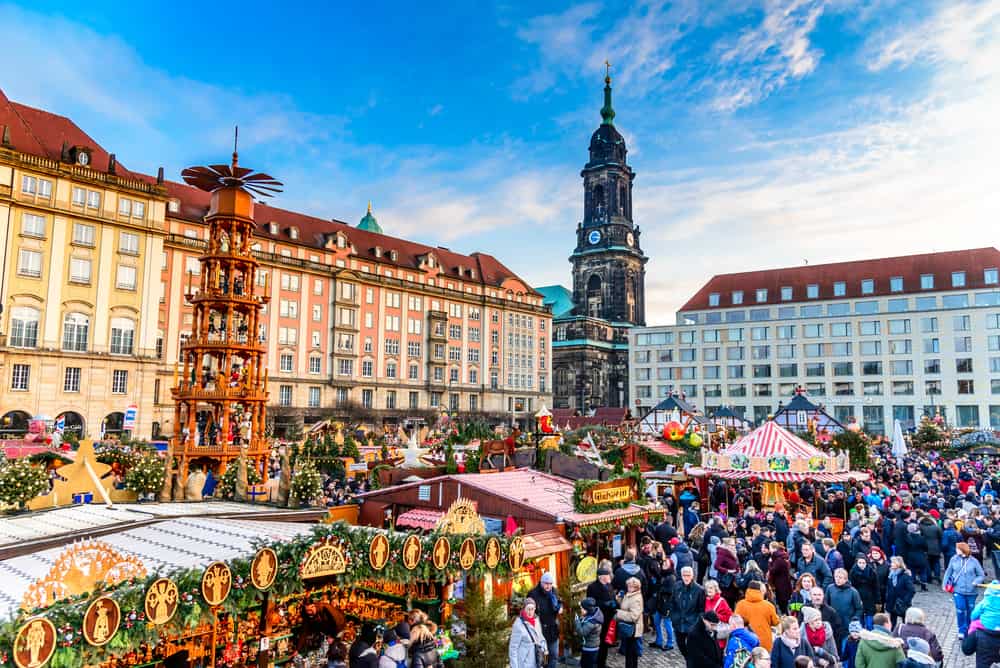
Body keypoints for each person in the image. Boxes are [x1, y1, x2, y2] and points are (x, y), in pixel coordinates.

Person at [944, 541, 987, 637]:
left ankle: (970, 628)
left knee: (970, 610)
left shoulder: (974, 561)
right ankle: (962, 630)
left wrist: (976, 582)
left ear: (962, 550)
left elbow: (981, 575)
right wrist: (945, 584)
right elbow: (948, 572)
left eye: (957, 549)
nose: (955, 550)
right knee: (960, 609)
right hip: (958, 590)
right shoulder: (953, 559)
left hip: (972, 591)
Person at [735, 581, 780, 653]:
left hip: (746, 640)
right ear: (760, 590)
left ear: (747, 590)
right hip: (765, 641)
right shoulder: (768, 605)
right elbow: (775, 622)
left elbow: (736, 622)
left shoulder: (740, 605)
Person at [528, 572, 562, 668]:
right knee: (541, 659)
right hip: (540, 631)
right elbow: (528, 612)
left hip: (552, 629)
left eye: (550, 583)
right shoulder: (533, 594)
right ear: (541, 582)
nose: (548, 586)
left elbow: (559, 602)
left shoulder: (554, 591)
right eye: (546, 583)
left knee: (554, 655)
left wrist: (560, 607)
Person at [672, 566, 707, 658]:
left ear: (692, 576)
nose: (686, 578)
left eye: (688, 575)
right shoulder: (676, 586)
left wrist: (696, 623)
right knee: (681, 645)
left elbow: (701, 610)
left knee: (693, 648)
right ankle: (688, 660)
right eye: (684, 575)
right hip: (679, 622)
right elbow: (672, 603)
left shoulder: (699, 590)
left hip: (692, 624)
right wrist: (674, 617)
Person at [586, 566, 616, 667]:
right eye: (607, 575)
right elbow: (591, 603)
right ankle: (596, 663)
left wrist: (615, 602)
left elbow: (612, 597)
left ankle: (602, 662)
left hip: (609, 618)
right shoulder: (592, 587)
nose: (609, 576)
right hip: (599, 619)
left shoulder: (609, 586)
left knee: (606, 642)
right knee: (599, 642)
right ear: (601, 577)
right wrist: (605, 604)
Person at [824, 568, 862, 638]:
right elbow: (826, 604)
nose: (837, 579)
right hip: (833, 622)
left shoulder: (853, 591)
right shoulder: (830, 588)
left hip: (847, 623)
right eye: (836, 577)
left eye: (840, 577)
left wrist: (854, 619)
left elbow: (859, 609)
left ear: (846, 579)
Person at [616, 577, 645, 668]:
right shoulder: (629, 594)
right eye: (628, 585)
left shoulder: (636, 598)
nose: (628, 587)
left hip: (633, 629)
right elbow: (625, 606)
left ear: (636, 587)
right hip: (629, 628)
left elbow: (633, 616)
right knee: (630, 652)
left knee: (631, 653)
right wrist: (619, 599)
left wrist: (618, 613)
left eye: (630, 586)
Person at [509, 599, 546, 668]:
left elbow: (540, 637)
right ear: (524, 609)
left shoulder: (536, 620)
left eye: (532, 609)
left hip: (536, 661)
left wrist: (544, 649)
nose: (530, 612)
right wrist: (514, 666)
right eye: (528, 609)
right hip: (524, 664)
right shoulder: (518, 624)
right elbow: (513, 648)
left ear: (535, 609)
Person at [651, 556, 676, 650]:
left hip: (666, 604)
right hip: (659, 603)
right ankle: (659, 641)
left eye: (666, 564)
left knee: (667, 624)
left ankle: (670, 643)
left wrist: (660, 589)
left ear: (670, 566)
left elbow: (671, 592)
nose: (663, 565)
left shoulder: (671, 577)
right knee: (656, 622)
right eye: (663, 564)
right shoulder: (662, 574)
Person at [848, 556, 878, 630]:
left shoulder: (871, 572)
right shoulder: (853, 572)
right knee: (859, 621)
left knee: (869, 623)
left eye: (863, 563)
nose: (861, 565)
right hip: (858, 597)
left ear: (866, 563)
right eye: (860, 563)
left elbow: (876, 587)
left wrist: (878, 600)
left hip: (869, 598)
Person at [884, 556, 915, 629]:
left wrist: (905, 601)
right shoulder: (891, 575)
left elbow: (911, 590)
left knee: (905, 622)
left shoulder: (905, 575)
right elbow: (889, 588)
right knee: (892, 622)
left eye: (893, 563)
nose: (891, 564)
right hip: (892, 602)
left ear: (898, 564)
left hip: (902, 603)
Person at [575, 598, 603, 668]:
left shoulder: (591, 622)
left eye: (582, 608)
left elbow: (582, 632)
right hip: (593, 647)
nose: (581, 610)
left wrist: (577, 621)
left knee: (586, 665)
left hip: (590, 648)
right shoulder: (593, 616)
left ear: (587, 610)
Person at [768, 544, 794, 614]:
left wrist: (770, 563)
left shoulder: (778, 560)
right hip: (785, 583)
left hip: (781, 585)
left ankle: (786, 616)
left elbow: (773, 570)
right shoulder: (783, 557)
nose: (769, 550)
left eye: (770, 548)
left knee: (782, 603)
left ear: (774, 549)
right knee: (784, 603)